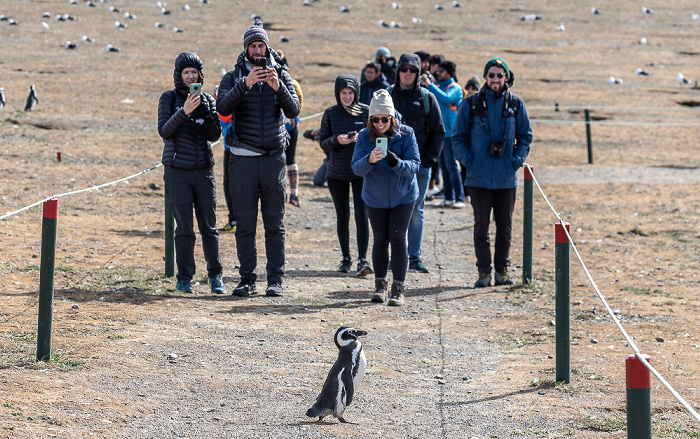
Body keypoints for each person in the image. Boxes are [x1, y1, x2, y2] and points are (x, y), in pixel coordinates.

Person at [216, 19, 301, 297]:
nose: (256, 50)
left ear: (267, 46)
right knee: (245, 223)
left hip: (274, 158)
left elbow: (293, 110)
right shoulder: (233, 77)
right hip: (242, 158)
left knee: (275, 223)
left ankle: (275, 280)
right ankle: (247, 279)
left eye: (260, 44)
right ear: (246, 49)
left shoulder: (281, 74)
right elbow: (222, 107)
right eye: (252, 45)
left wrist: (278, 87)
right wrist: (245, 84)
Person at [452, 57, 533, 288]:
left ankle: (502, 270)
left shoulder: (516, 104)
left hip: (506, 178)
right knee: (481, 226)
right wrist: (470, 162)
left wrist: (516, 161)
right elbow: (458, 138)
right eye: (491, 75)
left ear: (506, 77)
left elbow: (526, 136)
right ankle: (484, 272)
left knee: (505, 226)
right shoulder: (471, 104)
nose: (495, 79)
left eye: (500, 75)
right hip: (478, 178)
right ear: (485, 77)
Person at [157, 51, 225, 294]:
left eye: (193, 72)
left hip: (204, 171)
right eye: (185, 72)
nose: (189, 76)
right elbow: (164, 131)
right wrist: (184, 111)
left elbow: (215, 135)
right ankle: (184, 277)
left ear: (199, 74)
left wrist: (204, 112)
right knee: (184, 227)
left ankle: (216, 276)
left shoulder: (206, 99)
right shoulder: (167, 98)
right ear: (178, 74)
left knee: (209, 226)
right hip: (177, 172)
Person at [351, 89, 420, 307]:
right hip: (375, 197)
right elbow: (355, 168)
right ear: (370, 119)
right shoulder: (364, 136)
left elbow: (415, 165)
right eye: (376, 119)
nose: (380, 124)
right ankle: (379, 285)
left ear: (392, 117)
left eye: (385, 119)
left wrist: (396, 162)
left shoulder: (406, 134)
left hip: (404, 196)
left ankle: (398, 288)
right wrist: (369, 160)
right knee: (380, 239)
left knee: (398, 237)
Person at [388, 53, 445, 274]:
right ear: (398, 71)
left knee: (416, 210)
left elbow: (438, 131)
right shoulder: (387, 96)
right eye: (404, 69)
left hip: (419, 166)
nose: (408, 74)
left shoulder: (427, 98)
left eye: (413, 70)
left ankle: (414, 256)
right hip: (391, 165)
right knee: (392, 209)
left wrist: (430, 160)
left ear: (418, 73)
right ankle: (395, 256)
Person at [319, 75, 372, 276]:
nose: (347, 97)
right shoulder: (331, 113)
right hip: (337, 173)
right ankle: (346, 258)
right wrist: (336, 140)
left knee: (362, 215)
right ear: (337, 93)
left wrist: (361, 139)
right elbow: (323, 141)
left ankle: (362, 259)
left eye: (350, 93)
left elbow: (376, 138)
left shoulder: (366, 112)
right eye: (343, 93)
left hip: (361, 172)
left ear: (356, 93)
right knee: (343, 216)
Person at [424, 60, 465, 208]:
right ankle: (448, 197)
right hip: (441, 133)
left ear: (449, 72)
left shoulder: (455, 88)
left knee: (452, 167)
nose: (438, 73)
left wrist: (430, 85)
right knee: (445, 168)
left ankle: (459, 197)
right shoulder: (439, 87)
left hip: (451, 133)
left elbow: (446, 98)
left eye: (441, 71)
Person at [277, 50, 304, 207]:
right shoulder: (293, 83)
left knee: (284, 159)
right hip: (290, 125)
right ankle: (293, 193)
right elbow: (299, 103)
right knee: (289, 159)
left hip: (286, 125)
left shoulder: (290, 83)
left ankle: (289, 193)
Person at [215, 86, 237, 234]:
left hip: (232, 148)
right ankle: (235, 219)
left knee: (230, 185)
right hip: (231, 147)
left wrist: (218, 103)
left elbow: (223, 119)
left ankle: (235, 221)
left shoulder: (231, 106)